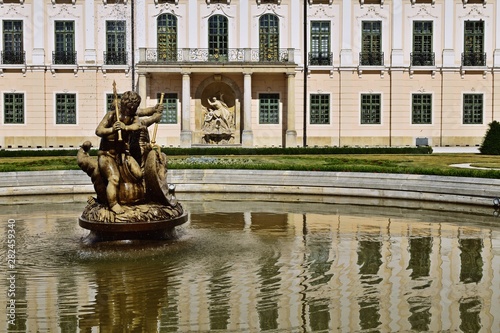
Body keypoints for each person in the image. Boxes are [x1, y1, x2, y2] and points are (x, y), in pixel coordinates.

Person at [95, 91, 142, 214]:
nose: (132, 110)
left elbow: (137, 126)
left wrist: (125, 127)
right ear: (125, 105)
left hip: (122, 154)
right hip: (107, 154)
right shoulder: (112, 115)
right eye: (131, 107)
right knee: (114, 178)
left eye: (135, 107)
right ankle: (113, 204)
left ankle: (133, 196)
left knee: (138, 174)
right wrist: (112, 129)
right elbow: (99, 130)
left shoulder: (133, 117)